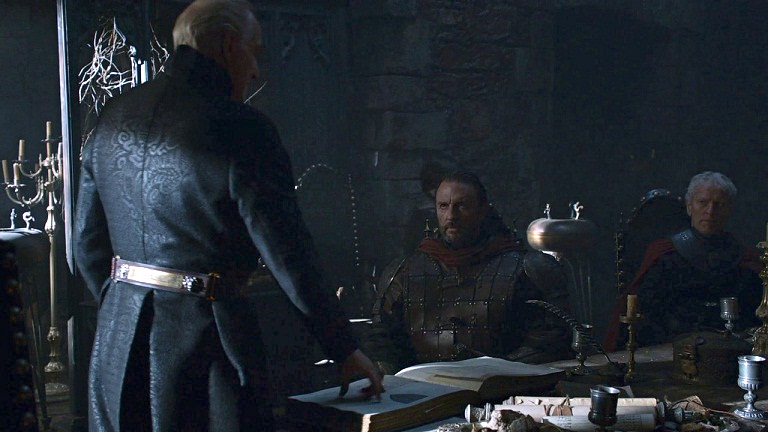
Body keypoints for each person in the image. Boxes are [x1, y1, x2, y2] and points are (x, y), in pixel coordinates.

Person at [73, 1, 382, 430]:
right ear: (228, 44)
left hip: (117, 347)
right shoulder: (243, 127)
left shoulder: (112, 117)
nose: (255, 71)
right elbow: (288, 253)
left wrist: (124, 305)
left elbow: (86, 247)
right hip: (204, 348)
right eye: (254, 51)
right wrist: (344, 347)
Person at [365, 172, 571, 374]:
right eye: (443, 206)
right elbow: (382, 338)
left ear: (482, 210)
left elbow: (549, 340)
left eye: (461, 206)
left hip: (503, 388)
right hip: (422, 388)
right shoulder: (404, 271)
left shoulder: (525, 269)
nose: (451, 216)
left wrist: (495, 374)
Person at [604, 171, 763, 351]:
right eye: (703, 202)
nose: (710, 211)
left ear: (729, 210)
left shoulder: (743, 260)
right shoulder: (665, 255)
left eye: (719, 204)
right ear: (689, 207)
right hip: (672, 349)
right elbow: (646, 316)